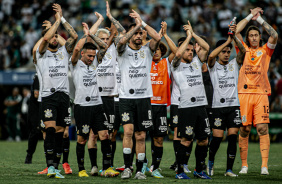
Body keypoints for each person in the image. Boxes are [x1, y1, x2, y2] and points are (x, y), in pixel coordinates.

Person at [116, 10, 161, 179]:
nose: (138, 35)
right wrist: (133, 30)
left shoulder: (147, 50)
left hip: (143, 98)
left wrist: (142, 23)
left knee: (141, 135)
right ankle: (127, 167)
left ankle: (140, 170)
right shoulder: (122, 50)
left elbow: (157, 38)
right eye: (135, 33)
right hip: (126, 98)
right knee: (128, 132)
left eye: (141, 33)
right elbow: (121, 42)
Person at [70, 22, 118, 177]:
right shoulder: (75, 64)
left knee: (105, 135)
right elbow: (76, 48)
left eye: (93, 56)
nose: (92, 58)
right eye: (89, 56)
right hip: (82, 106)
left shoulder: (96, 61)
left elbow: (104, 47)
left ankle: (107, 167)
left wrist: (102, 35)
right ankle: (82, 169)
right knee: (82, 139)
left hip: (97, 104)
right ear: (83, 54)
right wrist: (88, 34)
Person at [36, 3, 78, 178]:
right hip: (48, 96)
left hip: (63, 97)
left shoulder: (64, 52)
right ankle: (50, 167)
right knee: (51, 130)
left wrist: (61, 20)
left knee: (61, 133)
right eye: (52, 36)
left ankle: (56, 166)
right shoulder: (41, 53)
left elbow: (74, 36)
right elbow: (45, 40)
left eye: (56, 37)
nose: (54, 38)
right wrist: (55, 25)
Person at [235, 7, 278, 175]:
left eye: (256, 35)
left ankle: (264, 166)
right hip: (244, 94)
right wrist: (249, 16)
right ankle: (244, 165)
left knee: (262, 129)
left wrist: (259, 20)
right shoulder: (243, 49)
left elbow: (274, 35)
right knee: (244, 130)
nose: (253, 37)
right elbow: (235, 31)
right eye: (251, 35)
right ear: (248, 38)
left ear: (260, 37)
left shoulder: (266, 50)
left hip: (261, 94)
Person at [171, 21, 211, 179]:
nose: (190, 52)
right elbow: (178, 54)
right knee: (186, 141)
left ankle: (199, 170)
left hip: (201, 106)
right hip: (186, 108)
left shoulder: (196, 62)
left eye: (191, 50)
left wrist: (193, 34)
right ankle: (180, 171)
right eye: (187, 50)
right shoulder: (176, 65)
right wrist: (187, 38)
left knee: (203, 140)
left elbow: (206, 48)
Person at [206, 24, 246, 177]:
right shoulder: (213, 66)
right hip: (217, 107)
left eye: (229, 51)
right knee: (217, 137)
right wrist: (226, 42)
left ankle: (229, 170)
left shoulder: (233, 64)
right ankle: (210, 163)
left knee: (232, 136)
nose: (227, 54)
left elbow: (243, 50)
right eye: (224, 51)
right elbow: (210, 56)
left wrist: (233, 37)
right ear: (218, 52)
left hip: (233, 106)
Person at [24, 74, 40, 164]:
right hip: (36, 107)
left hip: (45, 104)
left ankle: (53, 157)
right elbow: (36, 95)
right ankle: (29, 155)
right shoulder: (38, 77)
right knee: (35, 131)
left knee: (51, 130)